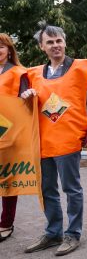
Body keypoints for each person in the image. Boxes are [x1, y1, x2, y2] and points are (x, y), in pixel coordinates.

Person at [22, 22, 87, 256]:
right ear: (42, 46)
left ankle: (73, 233)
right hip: (43, 140)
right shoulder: (33, 74)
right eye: (50, 42)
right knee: (47, 189)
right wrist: (25, 96)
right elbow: (26, 105)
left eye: (59, 41)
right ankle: (53, 232)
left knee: (71, 188)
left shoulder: (81, 69)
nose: (55, 45)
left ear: (65, 42)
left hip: (69, 139)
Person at [0, 33, 31, 242]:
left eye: (1, 46)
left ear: (9, 49)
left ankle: (6, 223)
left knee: (8, 180)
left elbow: (25, 104)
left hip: (9, 132)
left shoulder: (19, 73)